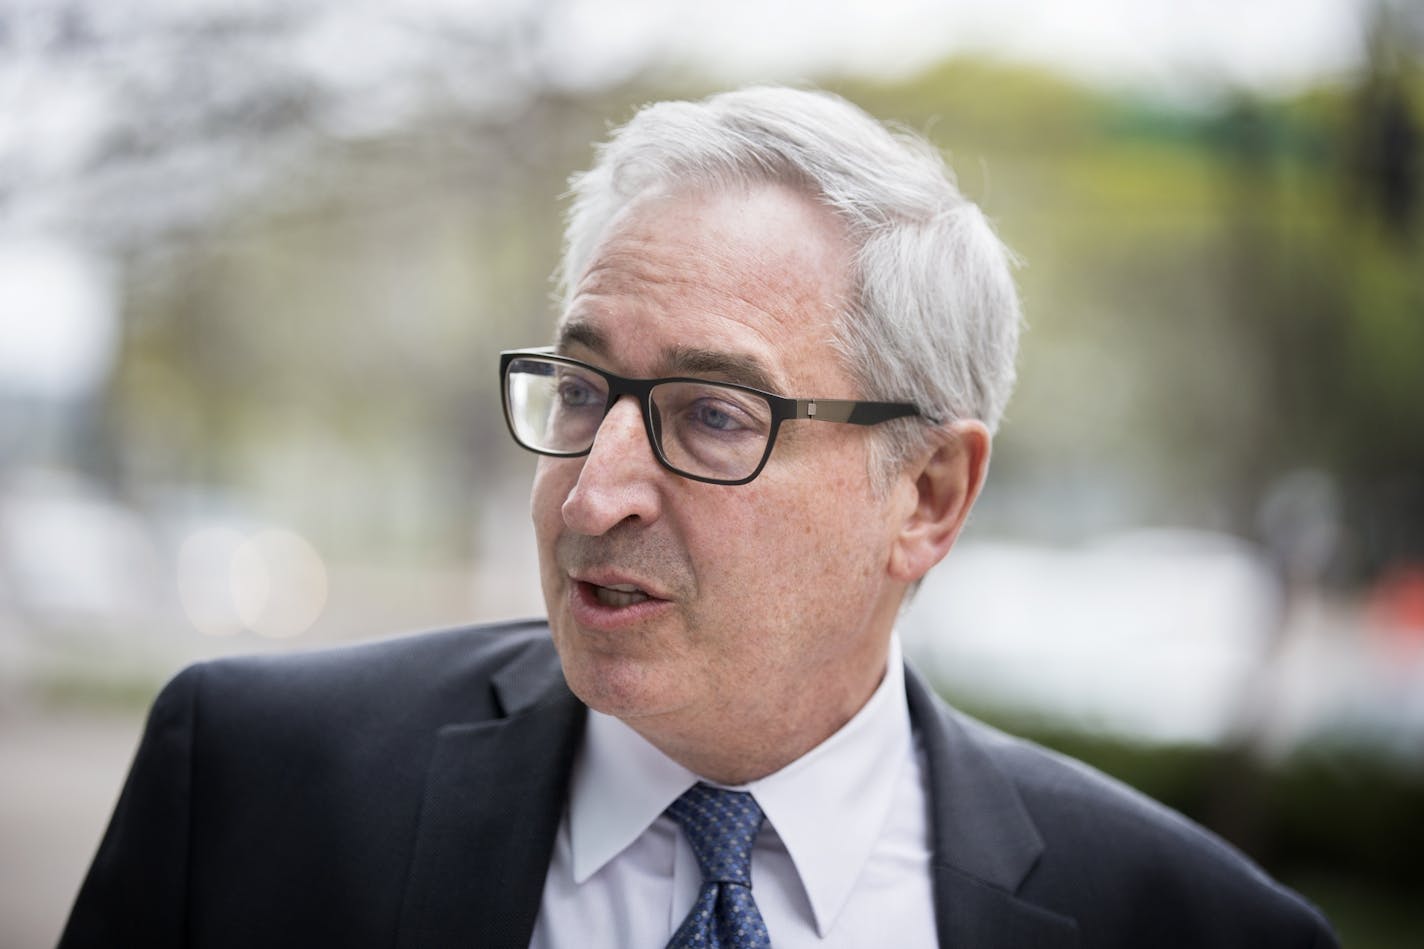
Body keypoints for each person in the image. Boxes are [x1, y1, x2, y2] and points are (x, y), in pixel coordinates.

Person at [61, 86, 1337, 949]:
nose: (596, 490)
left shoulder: (1190, 923)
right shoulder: (253, 784)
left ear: (928, 496)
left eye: (714, 416)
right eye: (579, 390)